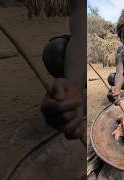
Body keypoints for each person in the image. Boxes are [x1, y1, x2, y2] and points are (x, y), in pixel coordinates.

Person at [40, 0, 85, 140]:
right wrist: (72, 88)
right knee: (55, 50)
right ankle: (73, 100)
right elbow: (81, 36)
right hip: (81, 55)